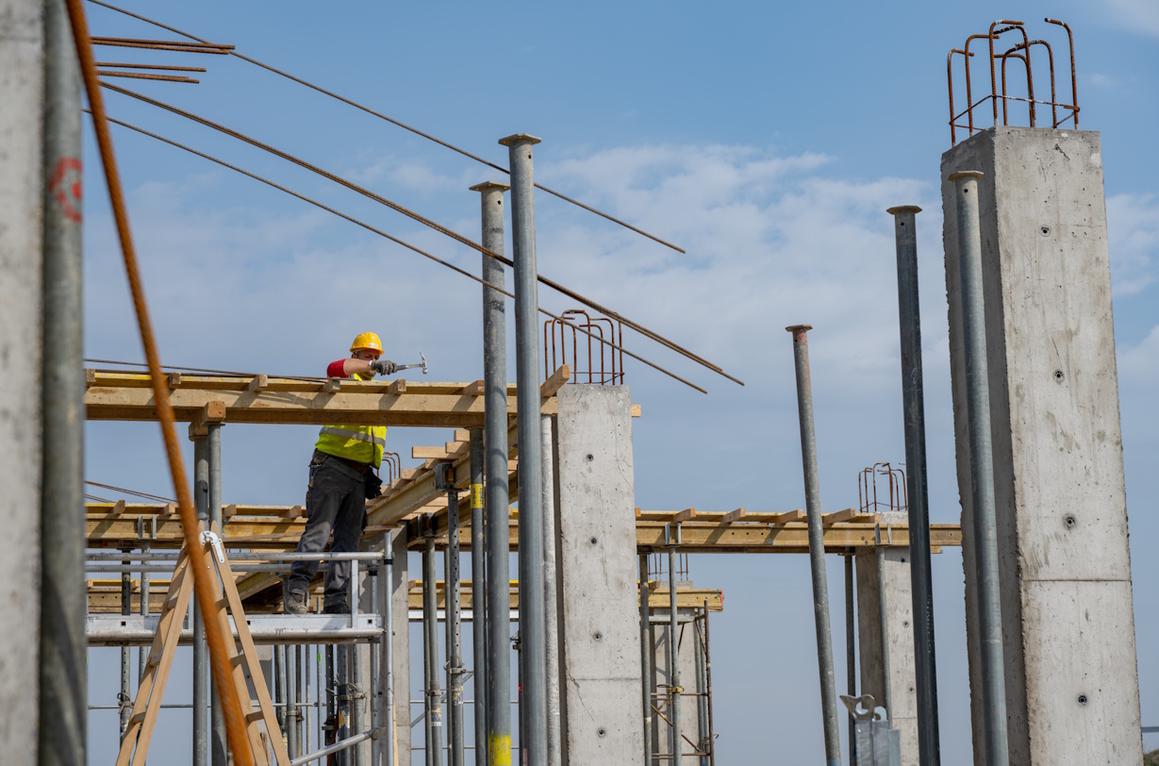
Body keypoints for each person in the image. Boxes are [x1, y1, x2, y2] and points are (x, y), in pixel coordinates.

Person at [283, 331, 398, 614]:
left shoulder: (379, 394)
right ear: (355, 355)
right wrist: (369, 366)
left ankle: (336, 598)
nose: (372, 360)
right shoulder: (347, 380)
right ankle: (297, 590)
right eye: (368, 355)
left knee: (348, 538)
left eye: (376, 357)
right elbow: (334, 367)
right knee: (320, 530)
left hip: (358, 475)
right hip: (332, 467)